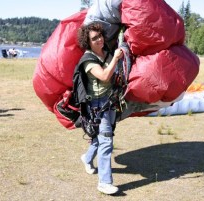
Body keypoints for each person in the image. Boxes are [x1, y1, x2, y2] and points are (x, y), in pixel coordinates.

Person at [77, 22, 123, 195]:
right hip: (97, 105)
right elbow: (104, 76)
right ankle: (104, 182)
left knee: (102, 136)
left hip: (110, 101)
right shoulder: (87, 60)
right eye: (94, 38)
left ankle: (87, 158)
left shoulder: (107, 53)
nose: (99, 40)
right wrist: (116, 58)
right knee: (106, 140)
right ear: (88, 42)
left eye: (100, 36)